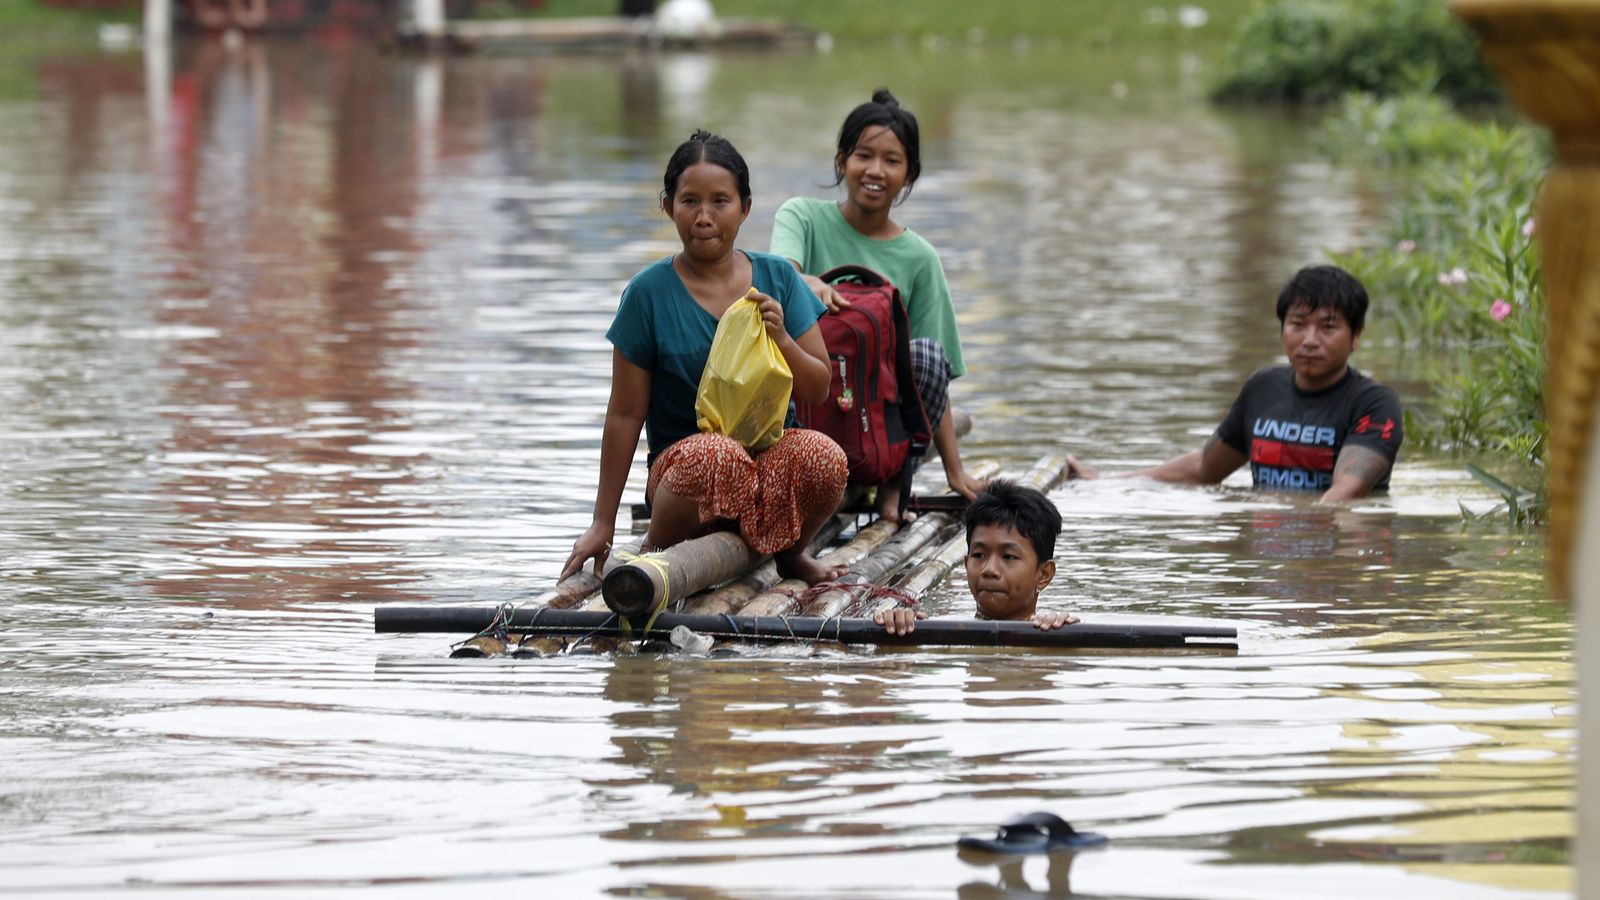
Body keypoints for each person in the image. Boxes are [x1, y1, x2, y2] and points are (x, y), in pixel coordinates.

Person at [560, 131, 849, 586]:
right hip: (688, 474)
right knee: (719, 456)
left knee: (824, 456)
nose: (705, 217)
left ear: (745, 208)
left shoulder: (779, 279)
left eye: (720, 202)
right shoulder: (647, 293)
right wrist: (603, 523)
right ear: (667, 207)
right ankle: (659, 551)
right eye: (690, 201)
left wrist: (783, 340)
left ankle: (791, 554)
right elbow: (625, 412)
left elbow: (818, 386)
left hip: (767, 468)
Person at [771, 87, 985, 521]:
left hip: (875, 430)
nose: (875, 170)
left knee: (924, 355)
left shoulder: (919, 258)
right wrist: (808, 281)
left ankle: (893, 489)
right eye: (863, 156)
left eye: (892, 161)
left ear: (909, 175)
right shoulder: (802, 218)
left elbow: (933, 378)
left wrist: (954, 470)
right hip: (805, 409)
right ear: (841, 161)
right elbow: (779, 277)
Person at [1068, 264, 1403, 502]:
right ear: (1283, 328)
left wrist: (1306, 545)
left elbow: (1347, 491)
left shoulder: (1373, 403)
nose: (1310, 340)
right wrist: (1105, 484)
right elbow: (1203, 469)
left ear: (1356, 337)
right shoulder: (1263, 388)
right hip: (1268, 547)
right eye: (1298, 324)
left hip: (1334, 548)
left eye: (1327, 328)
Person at [875, 480, 1079, 634]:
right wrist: (897, 630)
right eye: (979, 555)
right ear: (966, 563)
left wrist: (1061, 639)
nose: (989, 569)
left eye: (1008, 557)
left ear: (1044, 574)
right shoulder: (932, 630)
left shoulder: (1057, 633)